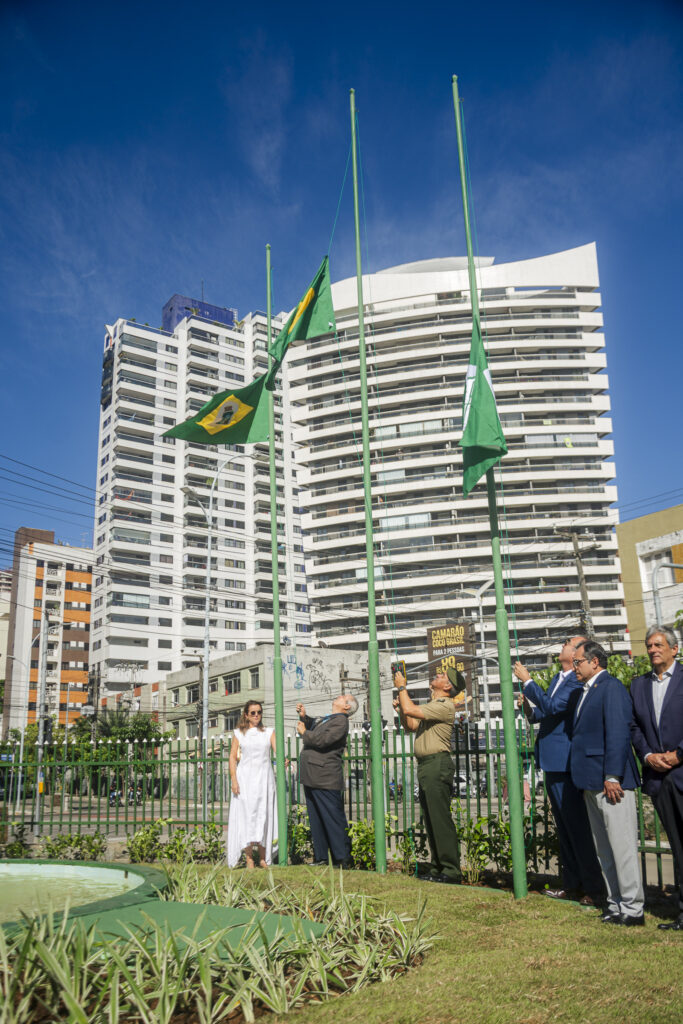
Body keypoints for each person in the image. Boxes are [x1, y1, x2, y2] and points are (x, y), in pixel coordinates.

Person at [514, 635, 603, 905]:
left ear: (578, 652)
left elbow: (553, 706)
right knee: (563, 828)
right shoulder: (558, 678)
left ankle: (593, 888)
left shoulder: (575, 683)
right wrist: (528, 707)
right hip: (551, 761)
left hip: (564, 762)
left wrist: (529, 681)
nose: (563, 645)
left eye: (569, 642)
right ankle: (571, 884)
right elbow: (543, 713)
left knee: (576, 827)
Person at [570, 640, 644, 925]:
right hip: (591, 780)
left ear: (594, 662)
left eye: (578, 662)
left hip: (610, 781)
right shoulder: (587, 691)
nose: (575, 667)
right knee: (605, 848)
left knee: (622, 845)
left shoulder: (610, 687)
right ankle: (615, 904)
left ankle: (633, 909)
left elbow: (617, 733)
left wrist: (613, 774)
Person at [630, 625, 683, 932]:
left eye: (658, 645)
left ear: (674, 649)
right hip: (659, 778)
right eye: (649, 645)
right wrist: (649, 755)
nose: (652, 650)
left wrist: (679, 754)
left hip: (680, 768)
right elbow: (634, 726)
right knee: (677, 846)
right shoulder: (638, 686)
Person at [394, 666, 460, 884]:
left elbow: (412, 711)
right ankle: (437, 868)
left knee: (440, 819)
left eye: (442, 676)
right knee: (431, 819)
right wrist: (401, 711)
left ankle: (450, 870)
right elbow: (411, 724)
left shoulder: (445, 705)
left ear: (448, 686)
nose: (437, 675)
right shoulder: (434, 705)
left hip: (436, 764)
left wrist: (402, 687)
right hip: (426, 765)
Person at [296, 693, 358, 866]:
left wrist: (304, 733)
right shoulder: (329, 719)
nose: (338, 696)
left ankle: (343, 858)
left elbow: (322, 740)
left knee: (333, 819)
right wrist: (305, 718)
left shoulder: (341, 721)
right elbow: (317, 727)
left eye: (343, 697)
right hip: (313, 775)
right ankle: (321, 856)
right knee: (317, 819)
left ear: (346, 706)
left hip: (325, 777)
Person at [227, 700, 276, 869]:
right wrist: (234, 780)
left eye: (259, 712)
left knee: (264, 814)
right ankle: (249, 859)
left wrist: (283, 760)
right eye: (253, 713)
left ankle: (263, 857)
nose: (256, 715)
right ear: (246, 715)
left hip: (264, 778)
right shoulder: (239, 733)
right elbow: (232, 757)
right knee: (246, 816)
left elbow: (278, 751)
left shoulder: (269, 732)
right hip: (245, 778)